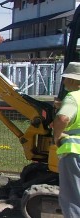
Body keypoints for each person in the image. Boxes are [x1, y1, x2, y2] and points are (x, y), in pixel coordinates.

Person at [52, 62, 80, 218]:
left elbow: (63, 118)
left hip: (75, 155)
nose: (64, 82)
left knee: (73, 199)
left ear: (75, 81)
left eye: (67, 78)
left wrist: (57, 137)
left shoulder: (73, 97)